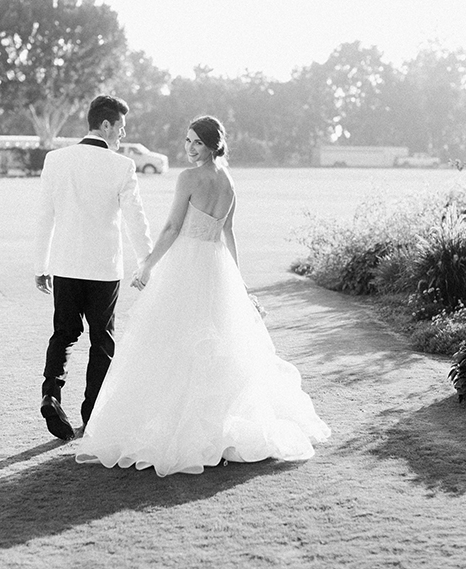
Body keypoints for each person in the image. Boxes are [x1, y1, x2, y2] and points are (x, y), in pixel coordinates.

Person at [75, 116, 330, 476]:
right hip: (216, 266)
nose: (190, 148)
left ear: (212, 144)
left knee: (173, 343)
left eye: (196, 142)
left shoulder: (189, 178)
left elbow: (173, 227)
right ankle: (214, 429)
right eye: (187, 141)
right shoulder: (228, 182)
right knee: (213, 344)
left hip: (187, 264)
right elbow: (228, 234)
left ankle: (181, 431)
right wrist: (238, 282)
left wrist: (147, 265)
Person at [34, 95, 152, 441]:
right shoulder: (122, 166)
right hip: (104, 270)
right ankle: (93, 413)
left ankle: (51, 394)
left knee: (64, 333)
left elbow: (45, 216)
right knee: (102, 340)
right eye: (121, 127)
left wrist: (40, 266)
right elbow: (136, 220)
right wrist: (146, 262)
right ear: (106, 125)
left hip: (66, 265)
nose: (122, 134)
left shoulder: (56, 160)